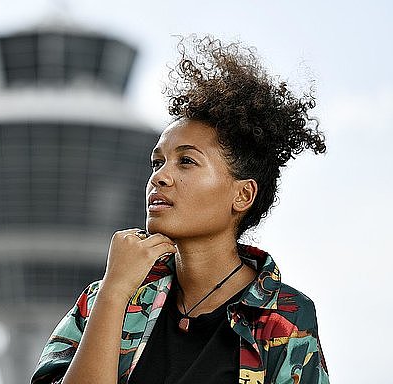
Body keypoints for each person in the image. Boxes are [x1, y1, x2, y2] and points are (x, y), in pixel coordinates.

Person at [31, 36, 330, 384]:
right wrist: (114, 293)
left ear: (243, 195)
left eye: (186, 161)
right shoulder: (105, 299)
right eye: (157, 163)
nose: (161, 177)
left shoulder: (284, 319)